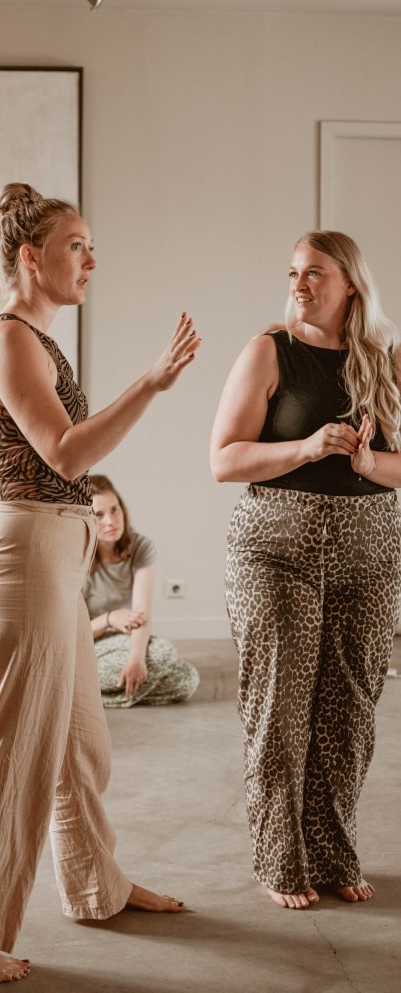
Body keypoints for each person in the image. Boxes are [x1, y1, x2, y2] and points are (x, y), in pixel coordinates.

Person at [0, 182, 201, 984]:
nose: (90, 260)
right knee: (12, 763)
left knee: (79, 747)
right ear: (30, 257)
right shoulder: (12, 340)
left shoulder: (29, 339)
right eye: (76, 245)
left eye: (89, 246)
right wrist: (149, 383)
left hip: (43, 558)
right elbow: (67, 454)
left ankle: (95, 886)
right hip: (28, 563)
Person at [210, 230, 401, 910]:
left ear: (349, 283)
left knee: (348, 716)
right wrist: (307, 446)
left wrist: (367, 463)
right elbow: (223, 459)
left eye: (314, 272)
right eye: (293, 272)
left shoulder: (387, 358)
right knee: (280, 712)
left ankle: (331, 851)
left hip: (369, 556)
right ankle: (280, 861)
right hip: (274, 552)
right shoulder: (270, 351)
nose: (298, 284)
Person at [83, 474, 199, 707]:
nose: (110, 521)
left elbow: (141, 613)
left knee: (187, 679)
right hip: (87, 643)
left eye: (114, 510)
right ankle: (83, 690)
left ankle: (88, 695)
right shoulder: (77, 555)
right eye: (99, 515)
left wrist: (136, 659)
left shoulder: (140, 547)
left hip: (125, 639)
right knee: (165, 654)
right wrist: (108, 619)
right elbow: (71, 632)